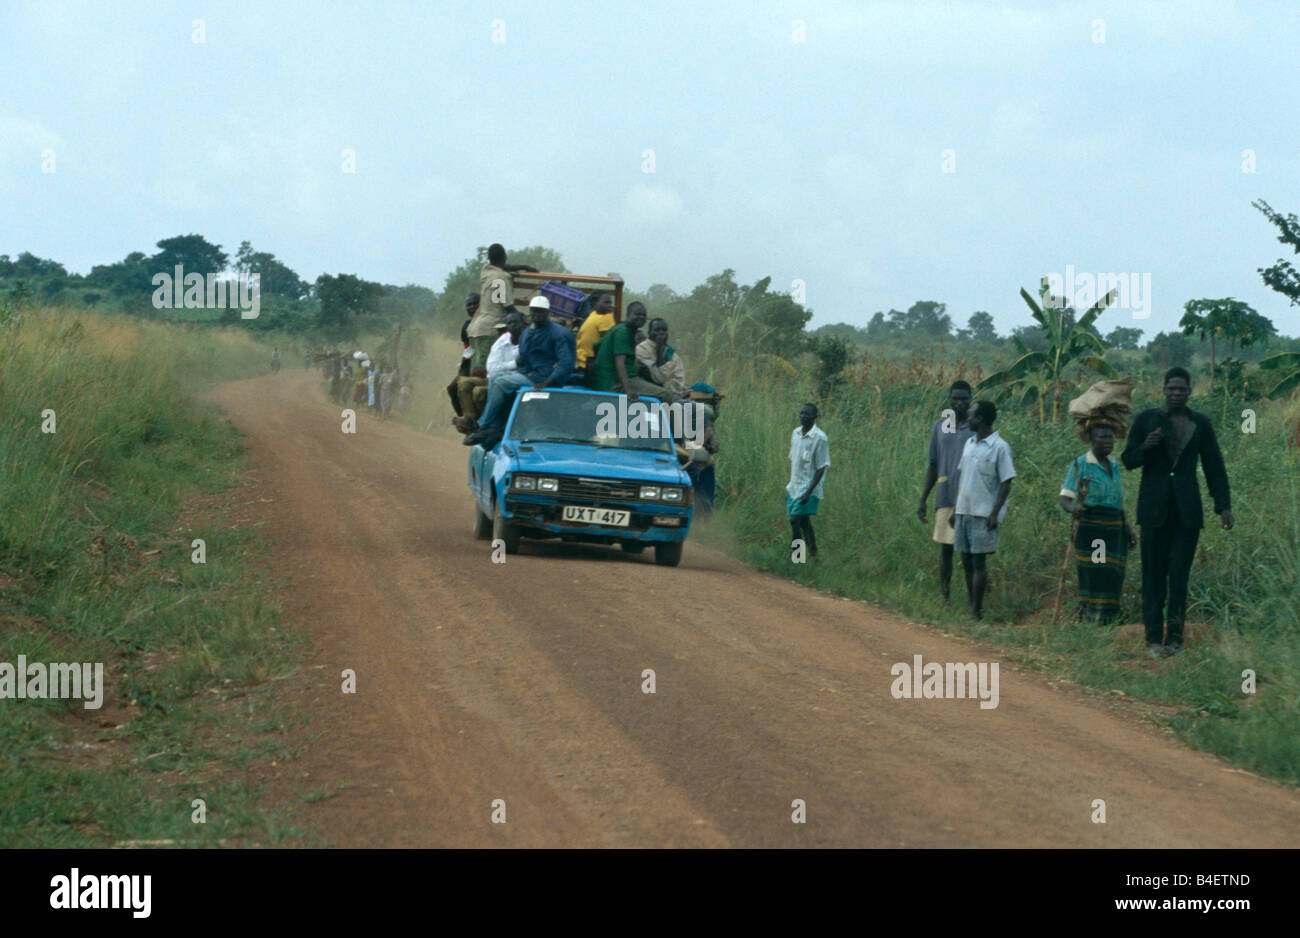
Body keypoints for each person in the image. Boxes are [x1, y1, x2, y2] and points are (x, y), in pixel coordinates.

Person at [1121, 367, 1233, 657]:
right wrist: (1145, 447)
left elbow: (1214, 466)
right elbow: (1128, 460)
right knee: (1153, 576)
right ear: (1163, 389)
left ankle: (1176, 641)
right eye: (1171, 388)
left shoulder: (1201, 424)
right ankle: (1153, 640)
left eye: (1182, 389)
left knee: (1179, 576)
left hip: (1187, 513)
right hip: (1153, 512)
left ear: (1190, 391)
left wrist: (1223, 506)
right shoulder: (1146, 420)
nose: (1176, 393)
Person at [463, 296, 575, 445]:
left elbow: (566, 363)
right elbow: (524, 358)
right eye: (534, 311)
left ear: (547, 312)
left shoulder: (558, 334)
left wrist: (549, 381)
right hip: (529, 373)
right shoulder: (528, 333)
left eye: (541, 312)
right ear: (530, 312)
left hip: (543, 378)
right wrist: (520, 371)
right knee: (496, 376)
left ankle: (484, 424)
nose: (537, 315)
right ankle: (493, 423)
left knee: (500, 382)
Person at [1059, 423, 1137, 624]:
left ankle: (1110, 615)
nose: (1108, 442)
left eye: (1110, 437)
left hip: (1114, 528)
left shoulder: (1114, 465)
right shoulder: (1080, 464)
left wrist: (1127, 528)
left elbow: (1117, 501)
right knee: (1097, 568)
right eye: (1102, 437)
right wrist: (1074, 509)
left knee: (1113, 572)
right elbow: (1065, 498)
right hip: (1094, 529)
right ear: (1091, 440)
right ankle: (1093, 616)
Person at [949, 400, 1015, 620]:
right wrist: (955, 510)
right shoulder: (969, 444)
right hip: (964, 510)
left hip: (983, 513)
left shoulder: (1000, 447)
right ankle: (972, 604)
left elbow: (1006, 482)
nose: (969, 418)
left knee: (979, 562)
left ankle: (977, 610)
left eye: (973, 415)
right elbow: (963, 478)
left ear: (981, 419)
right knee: (966, 560)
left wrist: (995, 513)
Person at [916, 381, 974, 602]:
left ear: (970, 399)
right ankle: (945, 597)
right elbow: (933, 464)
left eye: (963, 398)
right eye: (955, 398)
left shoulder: (976, 426)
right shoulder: (941, 427)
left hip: (970, 499)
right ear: (949, 399)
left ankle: (972, 601)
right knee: (946, 550)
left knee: (969, 553)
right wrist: (923, 498)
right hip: (946, 495)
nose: (959, 403)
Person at [469, 244, 538, 371]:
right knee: (484, 371)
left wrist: (523, 267)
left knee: (475, 370)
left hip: (476, 329)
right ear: (505, 257)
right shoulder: (500, 279)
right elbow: (506, 306)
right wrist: (525, 320)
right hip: (489, 329)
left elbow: (501, 266)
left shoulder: (486, 271)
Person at [454, 312, 525, 433]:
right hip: (492, 377)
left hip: (507, 379)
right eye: (510, 324)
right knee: (462, 383)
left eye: (516, 323)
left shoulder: (527, 341)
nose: (513, 327)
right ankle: (471, 420)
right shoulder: (501, 342)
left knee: (478, 392)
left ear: (523, 325)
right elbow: (492, 367)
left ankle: (485, 424)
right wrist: (513, 364)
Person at [588, 302, 660, 398]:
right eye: (637, 314)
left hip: (606, 380)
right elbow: (620, 363)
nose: (641, 317)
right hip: (614, 383)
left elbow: (597, 345)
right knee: (666, 394)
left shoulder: (619, 329)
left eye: (643, 315)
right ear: (627, 315)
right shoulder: (622, 333)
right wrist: (628, 390)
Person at [787, 403, 830, 560]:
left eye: (807, 414)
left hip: (808, 488)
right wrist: (791, 486)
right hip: (794, 487)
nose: (803, 417)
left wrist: (808, 492)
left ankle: (797, 557)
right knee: (805, 523)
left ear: (814, 417)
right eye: (801, 414)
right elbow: (794, 460)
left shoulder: (820, 438)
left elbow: (821, 467)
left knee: (794, 520)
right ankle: (814, 555)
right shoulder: (796, 433)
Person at [635, 318, 687, 401]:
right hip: (649, 399)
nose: (661, 333)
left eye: (664, 330)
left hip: (673, 398)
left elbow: (679, 384)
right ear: (649, 332)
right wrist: (659, 352)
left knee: (704, 411)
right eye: (657, 330)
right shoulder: (641, 350)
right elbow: (659, 378)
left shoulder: (672, 355)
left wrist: (664, 386)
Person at [447, 294, 479, 415]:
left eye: (475, 303)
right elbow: (468, 350)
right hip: (470, 363)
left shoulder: (489, 322)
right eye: (469, 305)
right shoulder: (466, 326)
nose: (472, 307)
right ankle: (464, 417)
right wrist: (462, 371)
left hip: (489, 363)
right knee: (452, 388)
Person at [575, 291, 616, 378]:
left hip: (580, 363)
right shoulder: (606, 318)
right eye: (606, 303)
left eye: (610, 303)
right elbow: (607, 345)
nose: (610, 305)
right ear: (595, 303)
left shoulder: (593, 315)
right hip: (590, 365)